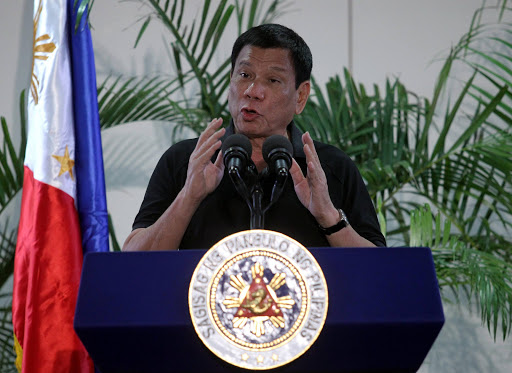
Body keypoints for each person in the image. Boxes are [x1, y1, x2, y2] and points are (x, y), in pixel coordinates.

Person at [122, 24, 386, 252]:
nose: (252, 91)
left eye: (272, 80)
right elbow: (134, 262)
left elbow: (379, 270)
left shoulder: (329, 168)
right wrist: (188, 197)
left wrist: (329, 217)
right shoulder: (187, 161)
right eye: (244, 75)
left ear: (301, 96)